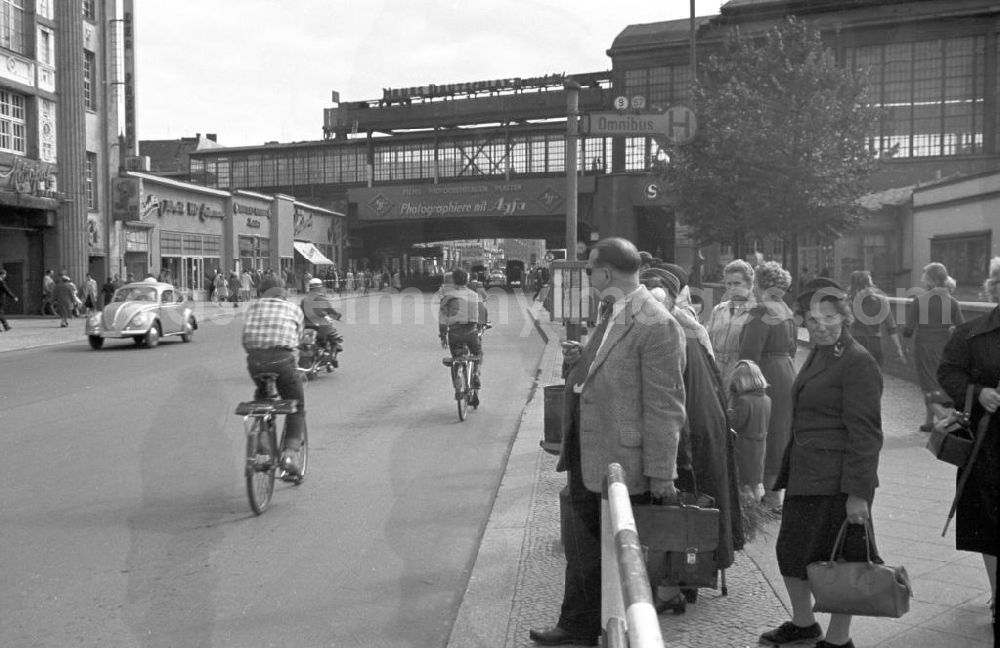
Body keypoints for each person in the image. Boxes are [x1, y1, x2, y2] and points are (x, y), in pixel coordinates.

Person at [529, 238, 686, 647]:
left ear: (606, 273)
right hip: (591, 450)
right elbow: (612, 366)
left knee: (615, 551)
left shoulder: (655, 322)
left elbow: (665, 404)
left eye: (591, 271)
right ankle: (578, 623)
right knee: (584, 545)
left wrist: (660, 472)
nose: (589, 279)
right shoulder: (615, 311)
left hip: (622, 460)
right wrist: (584, 354)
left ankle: (603, 627)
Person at [758, 278, 883, 648]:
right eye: (813, 319)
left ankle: (838, 639)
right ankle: (804, 624)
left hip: (835, 481)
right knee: (793, 553)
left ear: (844, 316)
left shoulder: (858, 361)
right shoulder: (821, 351)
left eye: (829, 317)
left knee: (841, 559)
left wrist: (858, 495)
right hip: (808, 473)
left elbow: (867, 435)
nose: (821, 325)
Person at [639, 265, 742, 614]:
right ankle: (685, 579)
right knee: (691, 503)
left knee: (679, 503)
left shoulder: (670, 331)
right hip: (703, 425)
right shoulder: (690, 325)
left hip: (690, 431)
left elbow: (666, 394)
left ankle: (673, 586)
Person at [936, 256, 1000, 626]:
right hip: (988, 446)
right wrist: (978, 394)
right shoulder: (971, 333)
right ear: (994, 289)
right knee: (990, 522)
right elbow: (948, 371)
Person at [739, 260, 796, 511]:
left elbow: (750, 352)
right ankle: (775, 495)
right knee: (780, 432)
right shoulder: (786, 310)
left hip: (766, 373)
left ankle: (769, 496)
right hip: (787, 372)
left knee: (763, 431)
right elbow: (793, 347)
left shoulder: (761, 310)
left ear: (759, 284)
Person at [241, 276, 307, 475]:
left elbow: (245, 340)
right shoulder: (293, 309)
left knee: (262, 398)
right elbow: (299, 339)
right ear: (283, 292)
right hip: (282, 361)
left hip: (255, 362)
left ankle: (263, 440)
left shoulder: (252, 308)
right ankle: (289, 454)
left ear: (261, 292)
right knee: (297, 405)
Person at [903, 262, 964, 432]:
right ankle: (929, 421)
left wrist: (905, 344)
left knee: (928, 382)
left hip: (924, 345)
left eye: (925, 276)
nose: (922, 279)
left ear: (932, 279)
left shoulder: (919, 301)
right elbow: (962, 327)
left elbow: (908, 329)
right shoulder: (952, 302)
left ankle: (944, 417)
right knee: (938, 380)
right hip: (944, 346)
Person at [706, 259, 756, 392]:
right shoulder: (718, 310)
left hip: (740, 375)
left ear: (749, 284)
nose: (732, 288)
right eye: (729, 284)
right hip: (715, 374)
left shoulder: (755, 312)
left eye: (737, 283)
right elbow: (707, 342)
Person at [728, 359, 771, 503]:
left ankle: (746, 507)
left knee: (743, 482)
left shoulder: (744, 401)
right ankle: (756, 506)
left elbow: (736, 423)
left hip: (744, 446)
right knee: (756, 480)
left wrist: (729, 412)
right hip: (760, 445)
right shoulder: (767, 399)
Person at [438, 269, 488, 391]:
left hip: (454, 333)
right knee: (478, 353)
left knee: (455, 358)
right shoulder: (474, 295)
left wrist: (443, 336)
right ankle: (475, 373)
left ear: (453, 281)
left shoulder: (448, 296)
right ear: (467, 281)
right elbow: (482, 313)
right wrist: (483, 325)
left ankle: (457, 382)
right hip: (471, 333)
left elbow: (443, 319)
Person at [847, 270, 905, 367]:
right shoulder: (881, 301)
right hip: (874, 343)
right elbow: (891, 327)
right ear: (868, 283)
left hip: (854, 342)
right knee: (875, 375)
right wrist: (898, 348)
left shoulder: (848, 301)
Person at [300, 277, 343, 359]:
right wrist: (337, 316)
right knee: (337, 339)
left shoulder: (304, 300)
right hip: (321, 326)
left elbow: (300, 312)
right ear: (319, 288)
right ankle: (333, 357)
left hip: (306, 326)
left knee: (302, 344)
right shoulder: (322, 299)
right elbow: (331, 311)